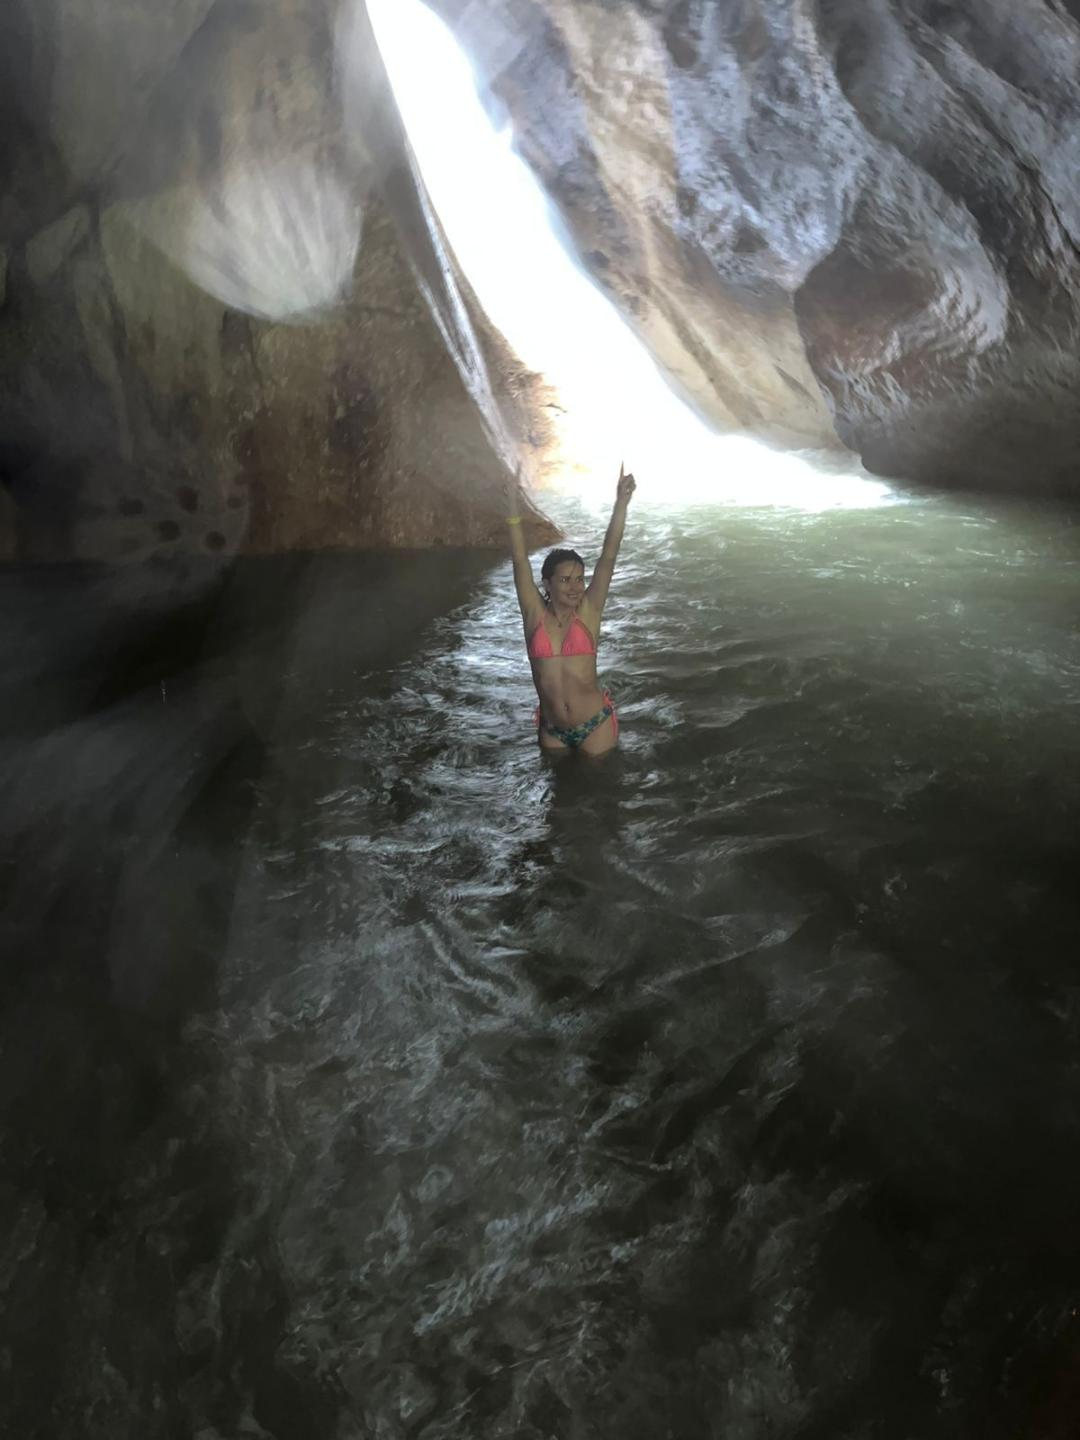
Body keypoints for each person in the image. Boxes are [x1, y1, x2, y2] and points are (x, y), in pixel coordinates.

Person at [506, 463, 636, 755]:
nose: (575, 587)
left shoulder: (589, 610)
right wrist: (512, 510)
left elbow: (608, 556)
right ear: (547, 583)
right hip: (552, 729)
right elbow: (519, 560)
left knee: (598, 783)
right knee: (557, 787)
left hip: (595, 725)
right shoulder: (533, 614)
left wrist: (621, 504)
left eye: (579, 579)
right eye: (565, 580)